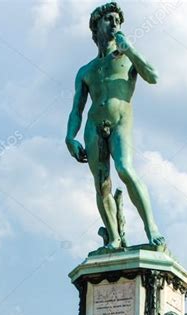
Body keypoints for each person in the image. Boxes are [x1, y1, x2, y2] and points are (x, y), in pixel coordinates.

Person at [66, 3, 164, 249]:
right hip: (93, 126)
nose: (115, 24)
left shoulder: (126, 58)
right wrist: (69, 136)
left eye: (117, 20)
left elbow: (153, 76)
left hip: (120, 121)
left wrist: (129, 49)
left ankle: (151, 228)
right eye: (109, 19)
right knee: (102, 185)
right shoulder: (86, 70)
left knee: (125, 169)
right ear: (96, 25)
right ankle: (114, 237)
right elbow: (77, 108)